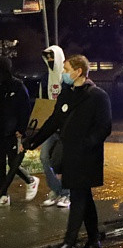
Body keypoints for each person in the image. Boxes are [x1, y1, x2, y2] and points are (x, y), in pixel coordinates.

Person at [24, 55, 112, 248]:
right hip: (70, 155)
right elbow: (54, 121)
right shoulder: (67, 94)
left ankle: (69, 243)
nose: (63, 73)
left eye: (66, 69)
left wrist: (86, 144)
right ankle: (93, 240)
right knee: (84, 197)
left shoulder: (97, 96)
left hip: (87, 157)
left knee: (79, 196)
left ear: (78, 71)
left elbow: (104, 127)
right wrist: (33, 141)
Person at [0, 57, 39, 205]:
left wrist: (21, 129)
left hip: (11, 132)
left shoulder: (17, 86)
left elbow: (24, 109)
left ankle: (30, 180)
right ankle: (3, 195)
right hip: (2, 130)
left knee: (13, 161)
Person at [39, 45, 70, 208]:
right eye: (47, 57)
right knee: (44, 157)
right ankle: (55, 190)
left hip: (65, 128)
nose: (50, 61)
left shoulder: (66, 77)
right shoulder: (46, 78)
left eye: (53, 57)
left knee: (62, 161)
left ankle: (66, 193)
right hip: (51, 125)